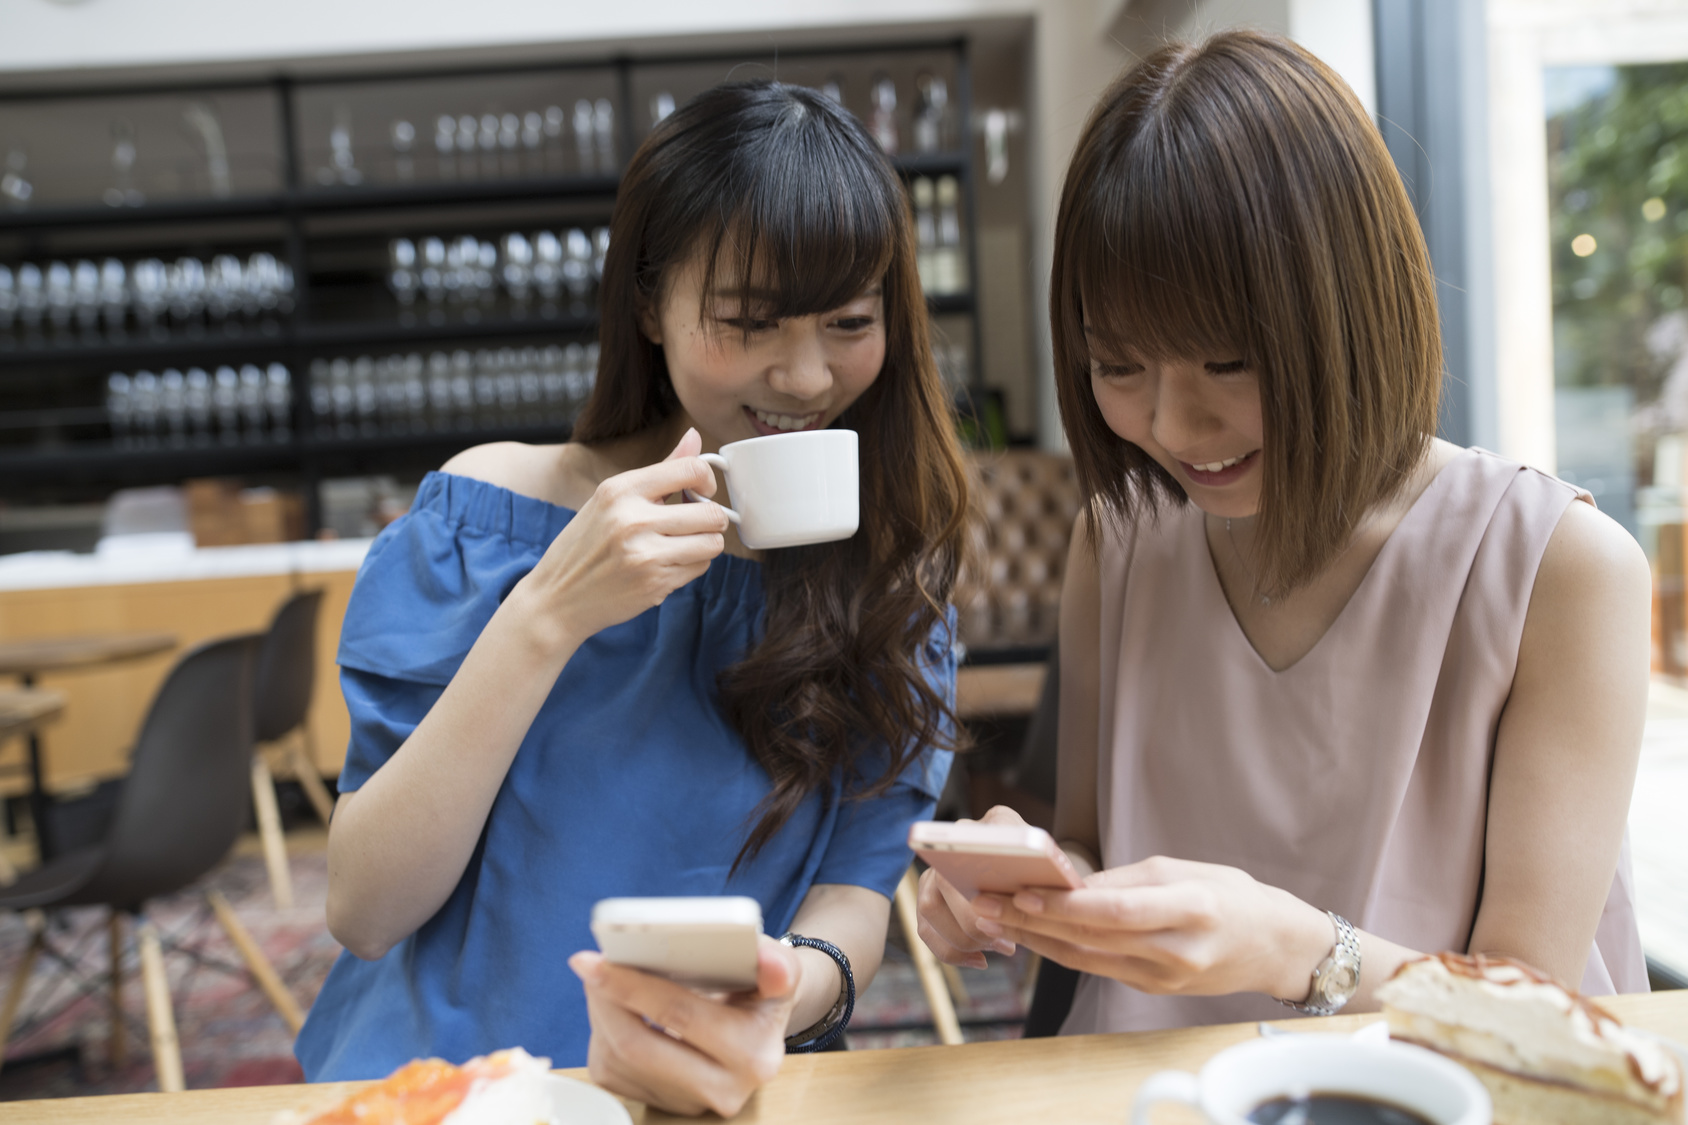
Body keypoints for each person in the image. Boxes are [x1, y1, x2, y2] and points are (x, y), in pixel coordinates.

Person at [917, 30, 1652, 1035]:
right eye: (1118, 365)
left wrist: (1291, 949)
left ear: (1347, 310)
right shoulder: (1121, 538)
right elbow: (1094, 843)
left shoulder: (1557, 569)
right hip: (1154, 1093)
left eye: (1225, 362)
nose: (1173, 428)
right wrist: (1028, 882)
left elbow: (1531, 1009)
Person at [296, 80, 969, 1115]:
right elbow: (367, 908)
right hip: (450, 1096)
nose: (803, 374)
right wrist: (549, 613)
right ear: (650, 304)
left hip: (700, 1097)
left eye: (847, 321)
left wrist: (783, 995)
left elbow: (850, 894)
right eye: (748, 321)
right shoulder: (488, 517)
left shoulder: (889, 584)